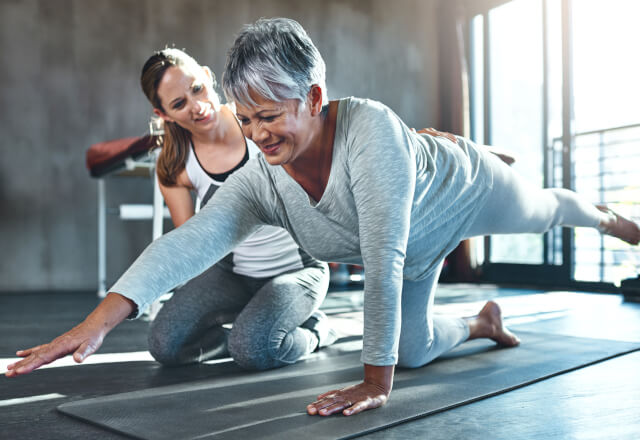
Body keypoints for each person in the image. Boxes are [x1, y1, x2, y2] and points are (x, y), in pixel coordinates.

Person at [8, 18, 639, 421]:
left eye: (272, 116)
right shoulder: (260, 175)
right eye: (247, 120)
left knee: (543, 211)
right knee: (414, 349)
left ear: (313, 98)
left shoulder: (370, 135)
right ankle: (482, 321)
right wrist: (93, 327)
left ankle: (604, 214)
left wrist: (372, 381)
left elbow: (382, 255)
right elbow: (192, 241)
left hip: (458, 193)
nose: (258, 135)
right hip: (416, 248)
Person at [5, 47, 335, 377]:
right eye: (179, 104)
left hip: (296, 270)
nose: (198, 106)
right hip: (233, 274)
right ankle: (240, 335)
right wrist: (100, 323)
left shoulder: (257, 122)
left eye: (196, 88)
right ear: (163, 114)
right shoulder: (176, 164)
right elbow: (189, 246)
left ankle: (317, 330)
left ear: (207, 76)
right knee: (166, 345)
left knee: (252, 350)